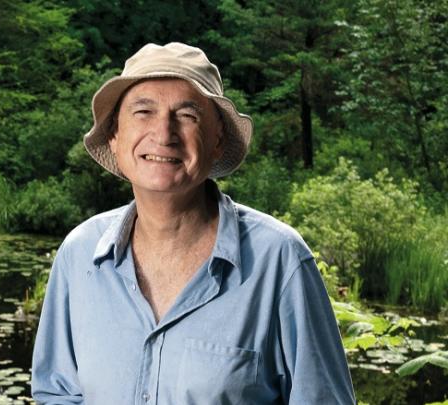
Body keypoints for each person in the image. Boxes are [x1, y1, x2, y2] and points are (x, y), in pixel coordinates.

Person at [31, 42, 355, 404]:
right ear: (115, 136)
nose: (164, 133)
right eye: (143, 111)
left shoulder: (279, 260)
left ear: (217, 139)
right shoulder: (79, 255)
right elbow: (57, 394)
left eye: (187, 115)